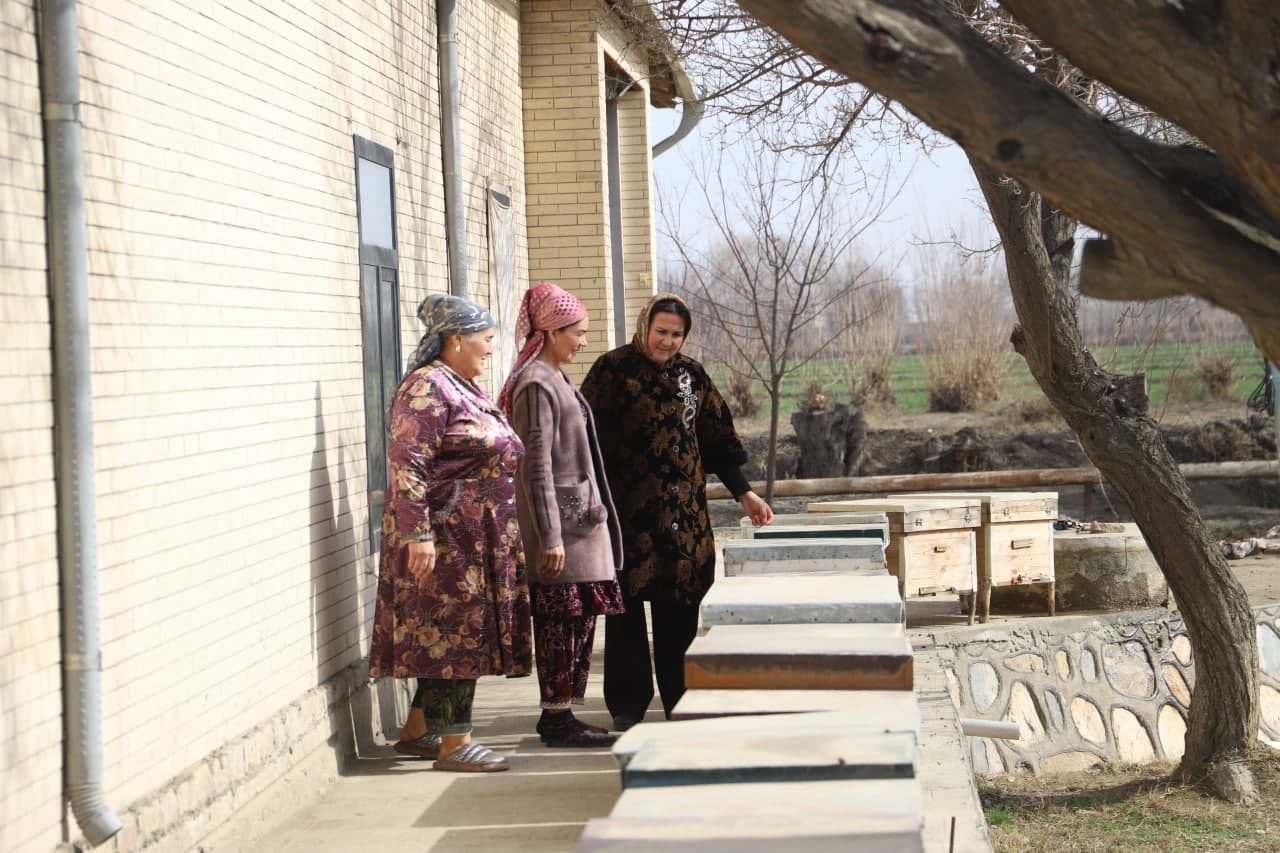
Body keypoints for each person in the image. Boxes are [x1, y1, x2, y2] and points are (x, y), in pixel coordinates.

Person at [581, 292, 773, 729]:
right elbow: (584, 440)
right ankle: (628, 707)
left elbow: (717, 442)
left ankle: (681, 701)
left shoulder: (692, 375)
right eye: (661, 331)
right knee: (625, 613)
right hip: (626, 517)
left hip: (683, 519)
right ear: (644, 326)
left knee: (681, 612)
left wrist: (745, 494)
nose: (667, 341)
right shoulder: (612, 370)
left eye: (676, 334)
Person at [368, 293, 532, 773]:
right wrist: (417, 533)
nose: (491, 347)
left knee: (455, 630)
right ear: (456, 339)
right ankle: (455, 743)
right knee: (455, 633)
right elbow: (408, 464)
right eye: (486, 338)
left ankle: (419, 730)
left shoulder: (460, 385)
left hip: (475, 535)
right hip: (446, 538)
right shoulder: (427, 387)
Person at [498, 283, 624, 747]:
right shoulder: (536, 384)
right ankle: (556, 718)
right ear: (551, 332)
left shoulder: (556, 377)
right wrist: (550, 536)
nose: (583, 341)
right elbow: (535, 466)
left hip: (579, 526)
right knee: (559, 623)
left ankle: (564, 713)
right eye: (578, 332)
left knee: (578, 622)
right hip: (563, 533)